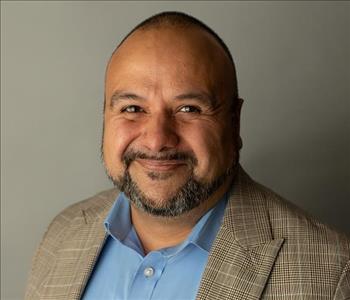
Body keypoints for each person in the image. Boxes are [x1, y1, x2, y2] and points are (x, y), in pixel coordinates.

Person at [25, 11, 350, 300]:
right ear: (105, 117)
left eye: (188, 108)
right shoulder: (62, 235)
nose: (157, 140)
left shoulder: (331, 273)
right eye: (132, 108)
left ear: (234, 123)